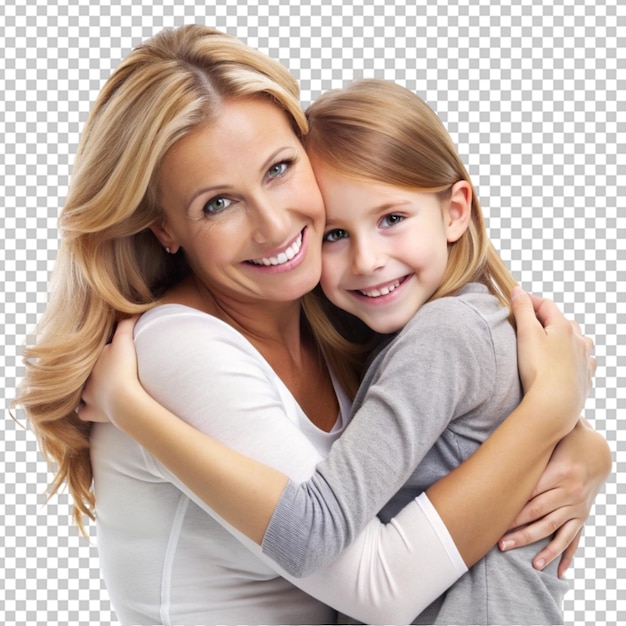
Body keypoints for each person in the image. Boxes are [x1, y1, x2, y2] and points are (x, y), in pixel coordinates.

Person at [14, 24, 607, 626]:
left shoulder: (338, 322)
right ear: (165, 230)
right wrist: (548, 415)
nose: (273, 227)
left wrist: (582, 449)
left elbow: (463, 429)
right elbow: (380, 589)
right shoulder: (178, 350)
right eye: (216, 203)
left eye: (277, 169)